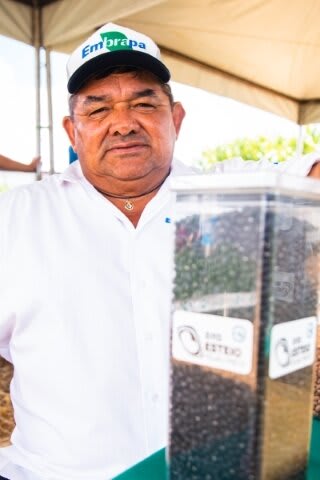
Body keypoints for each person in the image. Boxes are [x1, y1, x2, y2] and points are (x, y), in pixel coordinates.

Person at [0, 22, 319, 480]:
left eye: (144, 103)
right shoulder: (15, 219)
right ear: (73, 132)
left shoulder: (235, 195)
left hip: (213, 469)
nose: (123, 122)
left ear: (177, 118)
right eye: (98, 108)